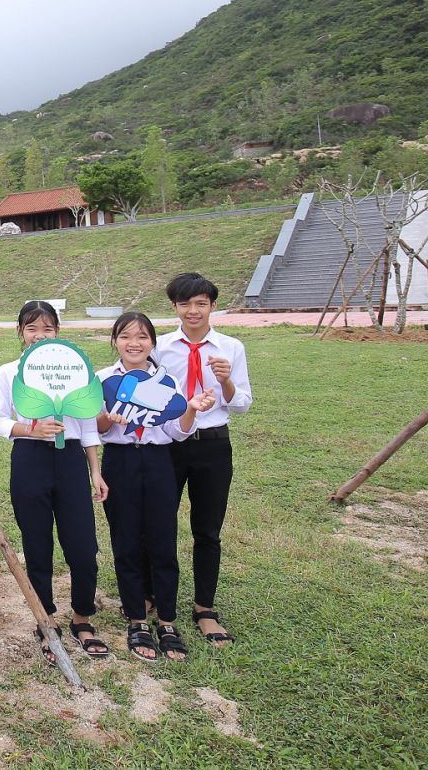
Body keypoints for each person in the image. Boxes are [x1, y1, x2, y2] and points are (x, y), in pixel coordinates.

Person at [0, 300, 109, 664]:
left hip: (70, 460)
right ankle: (46, 621)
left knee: (83, 547)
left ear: (58, 332)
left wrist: (95, 471)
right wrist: (31, 429)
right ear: (20, 332)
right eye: (32, 329)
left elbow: (87, 425)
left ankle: (82, 618)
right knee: (37, 545)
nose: (40, 335)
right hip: (30, 459)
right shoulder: (9, 372)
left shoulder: (76, 370)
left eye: (48, 329)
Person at [95, 312, 215, 663]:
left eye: (142, 337)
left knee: (163, 540)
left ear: (152, 342)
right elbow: (94, 428)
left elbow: (177, 431)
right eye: (125, 336)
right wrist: (107, 417)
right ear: (115, 341)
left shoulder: (166, 380)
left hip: (160, 462)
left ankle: (166, 621)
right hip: (119, 462)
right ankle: (137, 619)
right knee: (126, 541)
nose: (134, 343)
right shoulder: (102, 380)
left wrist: (191, 409)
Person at [156, 272, 253, 646]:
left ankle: (204, 608)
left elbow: (242, 404)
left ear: (213, 306)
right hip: (170, 444)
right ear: (174, 307)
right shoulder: (160, 348)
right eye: (185, 304)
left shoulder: (230, 347)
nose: (193, 311)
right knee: (160, 524)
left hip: (213, 445)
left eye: (201, 303)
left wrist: (226, 381)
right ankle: (155, 596)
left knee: (208, 528)